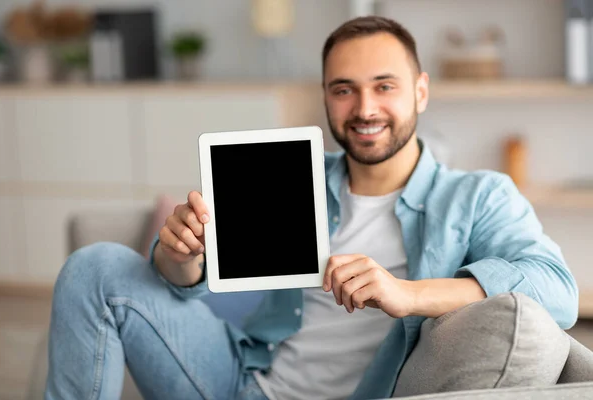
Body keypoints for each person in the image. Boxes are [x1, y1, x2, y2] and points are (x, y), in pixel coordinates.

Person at [45, 16, 578, 400]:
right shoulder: (286, 170)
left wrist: (407, 294)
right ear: (325, 96)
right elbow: (186, 281)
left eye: (384, 87)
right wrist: (180, 256)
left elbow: (557, 291)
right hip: (239, 380)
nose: (365, 109)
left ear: (420, 91)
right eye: (344, 90)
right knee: (95, 266)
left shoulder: (477, 196)